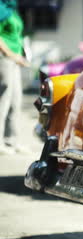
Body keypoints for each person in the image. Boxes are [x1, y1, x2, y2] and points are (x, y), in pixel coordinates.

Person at [0, 0, 29, 155]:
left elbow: (17, 36)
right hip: (3, 59)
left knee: (15, 101)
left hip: (15, 59)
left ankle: (12, 140)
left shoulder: (13, 9)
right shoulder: (0, 9)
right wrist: (10, 55)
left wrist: (21, 54)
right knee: (3, 100)